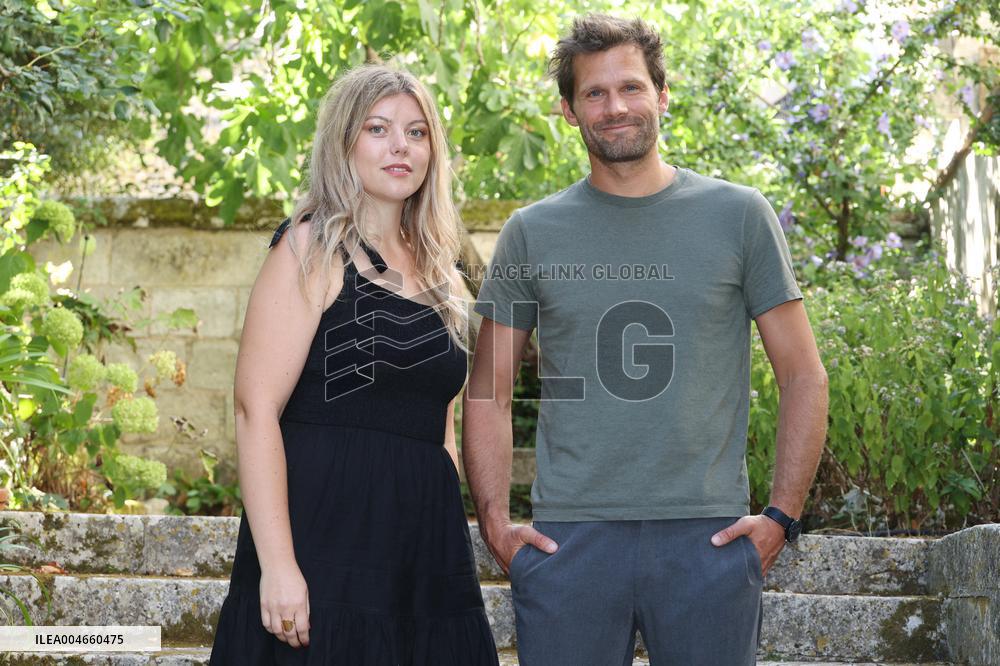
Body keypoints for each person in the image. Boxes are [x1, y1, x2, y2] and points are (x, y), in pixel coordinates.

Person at [463, 13, 829, 666]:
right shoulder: (531, 232)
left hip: (707, 539)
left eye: (631, 88)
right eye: (594, 94)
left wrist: (780, 517)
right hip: (570, 541)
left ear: (663, 95)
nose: (615, 107)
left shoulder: (740, 216)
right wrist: (496, 525)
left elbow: (804, 374)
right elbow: (487, 388)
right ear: (570, 112)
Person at [210, 64, 500, 666]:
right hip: (324, 538)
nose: (401, 146)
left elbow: (440, 423)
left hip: (421, 552)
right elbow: (253, 409)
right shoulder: (310, 246)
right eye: (378, 129)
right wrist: (279, 566)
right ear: (344, 143)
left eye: (417, 133)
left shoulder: (444, 272)